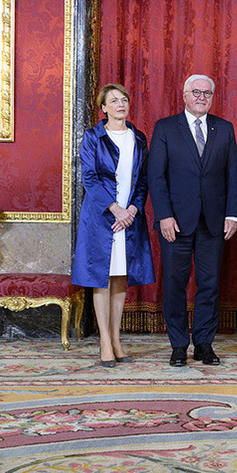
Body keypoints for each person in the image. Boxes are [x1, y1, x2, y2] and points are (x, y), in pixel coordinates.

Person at [147, 74, 237, 367]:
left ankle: (203, 344)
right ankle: (178, 345)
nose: (202, 97)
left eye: (207, 93)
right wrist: (163, 215)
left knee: (209, 284)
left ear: (213, 98)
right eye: (196, 92)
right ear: (185, 95)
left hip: (213, 222)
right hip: (175, 222)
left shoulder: (224, 129)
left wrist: (232, 214)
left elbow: (233, 176)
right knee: (175, 283)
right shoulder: (165, 128)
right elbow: (156, 176)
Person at [72, 83, 154, 367]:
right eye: (114, 101)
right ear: (103, 108)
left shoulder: (139, 138)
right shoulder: (93, 137)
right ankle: (104, 343)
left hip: (129, 218)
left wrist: (131, 209)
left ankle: (117, 339)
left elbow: (143, 181)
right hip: (101, 218)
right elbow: (90, 178)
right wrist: (116, 209)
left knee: (121, 277)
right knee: (102, 279)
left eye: (124, 100)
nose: (120, 104)